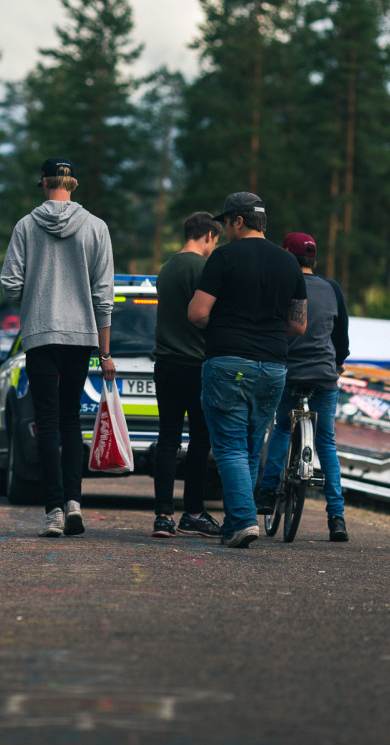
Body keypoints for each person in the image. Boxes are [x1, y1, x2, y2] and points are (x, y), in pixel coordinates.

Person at [1, 156, 115, 538]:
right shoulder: (97, 228)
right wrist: (105, 350)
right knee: (71, 420)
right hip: (81, 337)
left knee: (46, 420)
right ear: (73, 183)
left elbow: (10, 285)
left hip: (40, 334)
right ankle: (74, 503)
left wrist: (36, 296)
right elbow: (104, 295)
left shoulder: (26, 227)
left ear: (44, 183)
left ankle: (53, 511)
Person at [187, 192, 307, 549]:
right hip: (273, 366)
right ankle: (235, 523)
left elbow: (197, 313)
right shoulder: (289, 264)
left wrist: (228, 323)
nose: (224, 230)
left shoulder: (224, 257)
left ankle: (242, 521)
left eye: (226, 223)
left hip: (228, 362)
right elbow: (298, 325)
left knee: (229, 447)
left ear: (238, 220)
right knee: (251, 448)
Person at [254, 233, 351, 542]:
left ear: (285, 254)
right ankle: (337, 517)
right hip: (324, 375)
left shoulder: (281, 285)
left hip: (288, 372)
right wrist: (338, 364)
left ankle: (268, 493)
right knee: (327, 442)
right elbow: (342, 338)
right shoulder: (332, 289)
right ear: (314, 259)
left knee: (282, 428)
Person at [151, 212, 223, 538]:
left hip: (165, 363)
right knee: (199, 441)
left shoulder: (166, 269)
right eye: (215, 239)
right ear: (208, 234)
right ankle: (193, 512)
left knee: (167, 439)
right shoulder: (203, 268)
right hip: (197, 364)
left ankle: (163, 515)